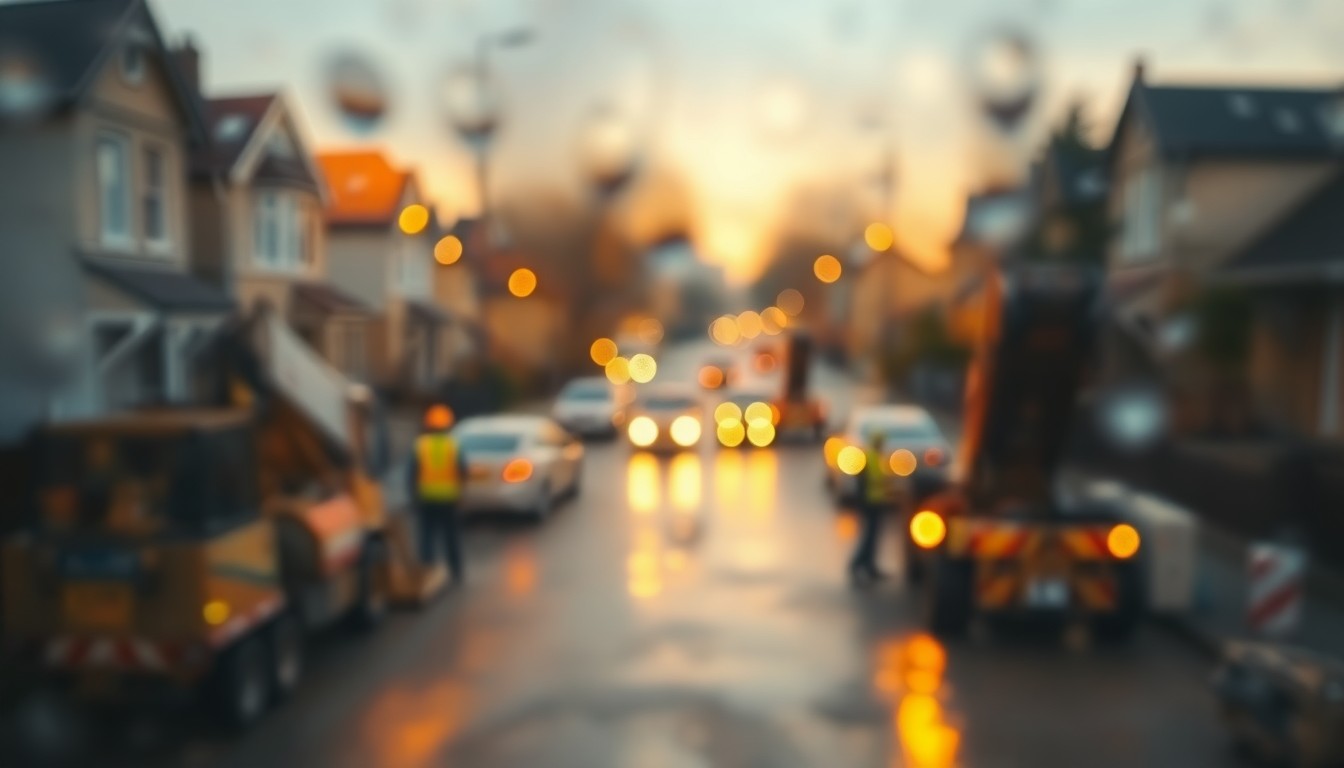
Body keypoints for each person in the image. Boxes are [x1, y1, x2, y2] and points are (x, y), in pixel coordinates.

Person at [407, 404, 467, 584]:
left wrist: (413, 496)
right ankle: (456, 572)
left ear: (429, 425)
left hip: (426, 499)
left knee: (427, 538)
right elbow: (462, 471)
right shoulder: (453, 445)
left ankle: (428, 574)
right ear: (448, 425)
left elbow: (412, 474)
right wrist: (461, 494)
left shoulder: (420, 445)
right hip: (449, 498)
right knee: (451, 537)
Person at [849, 432, 893, 585]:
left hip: (877, 501)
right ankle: (857, 565)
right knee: (869, 537)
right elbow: (862, 481)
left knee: (873, 537)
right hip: (870, 503)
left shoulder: (877, 457)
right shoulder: (869, 457)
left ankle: (870, 566)